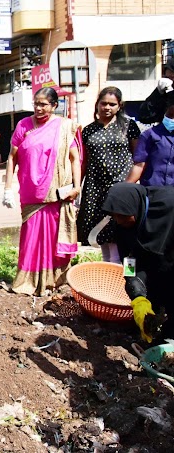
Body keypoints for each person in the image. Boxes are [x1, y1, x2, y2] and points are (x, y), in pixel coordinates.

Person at [2, 87, 83, 296]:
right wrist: (7, 188)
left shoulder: (65, 128)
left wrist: (76, 187)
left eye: (43, 104)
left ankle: (53, 281)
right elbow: (12, 157)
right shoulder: (23, 125)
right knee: (31, 237)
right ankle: (27, 280)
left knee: (53, 237)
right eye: (36, 104)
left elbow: (75, 159)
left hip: (56, 193)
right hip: (31, 193)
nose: (38, 108)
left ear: (54, 105)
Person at [102, 183, 174, 342]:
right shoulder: (122, 227)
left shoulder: (168, 205)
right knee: (144, 292)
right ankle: (152, 329)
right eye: (115, 216)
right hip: (153, 264)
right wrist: (136, 291)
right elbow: (128, 260)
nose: (119, 221)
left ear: (134, 207)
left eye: (123, 216)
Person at [77, 87, 140, 263]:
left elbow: (139, 159)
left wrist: (128, 186)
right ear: (97, 104)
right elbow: (84, 162)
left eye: (112, 104)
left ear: (119, 106)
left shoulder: (129, 126)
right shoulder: (88, 130)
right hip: (95, 190)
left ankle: (128, 281)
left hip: (122, 189)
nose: (107, 107)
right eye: (103, 103)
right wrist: (77, 188)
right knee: (103, 237)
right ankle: (109, 277)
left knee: (124, 237)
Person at [126, 89, 174, 186]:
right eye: (170, 114)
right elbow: (139, 166)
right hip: (154, 192)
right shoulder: (149, 135)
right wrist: (124, 189)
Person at [137, 59, 174, 124]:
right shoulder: (165, 93)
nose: (171, 81)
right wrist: (158, 92)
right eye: (168, 78)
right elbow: (144, 117)